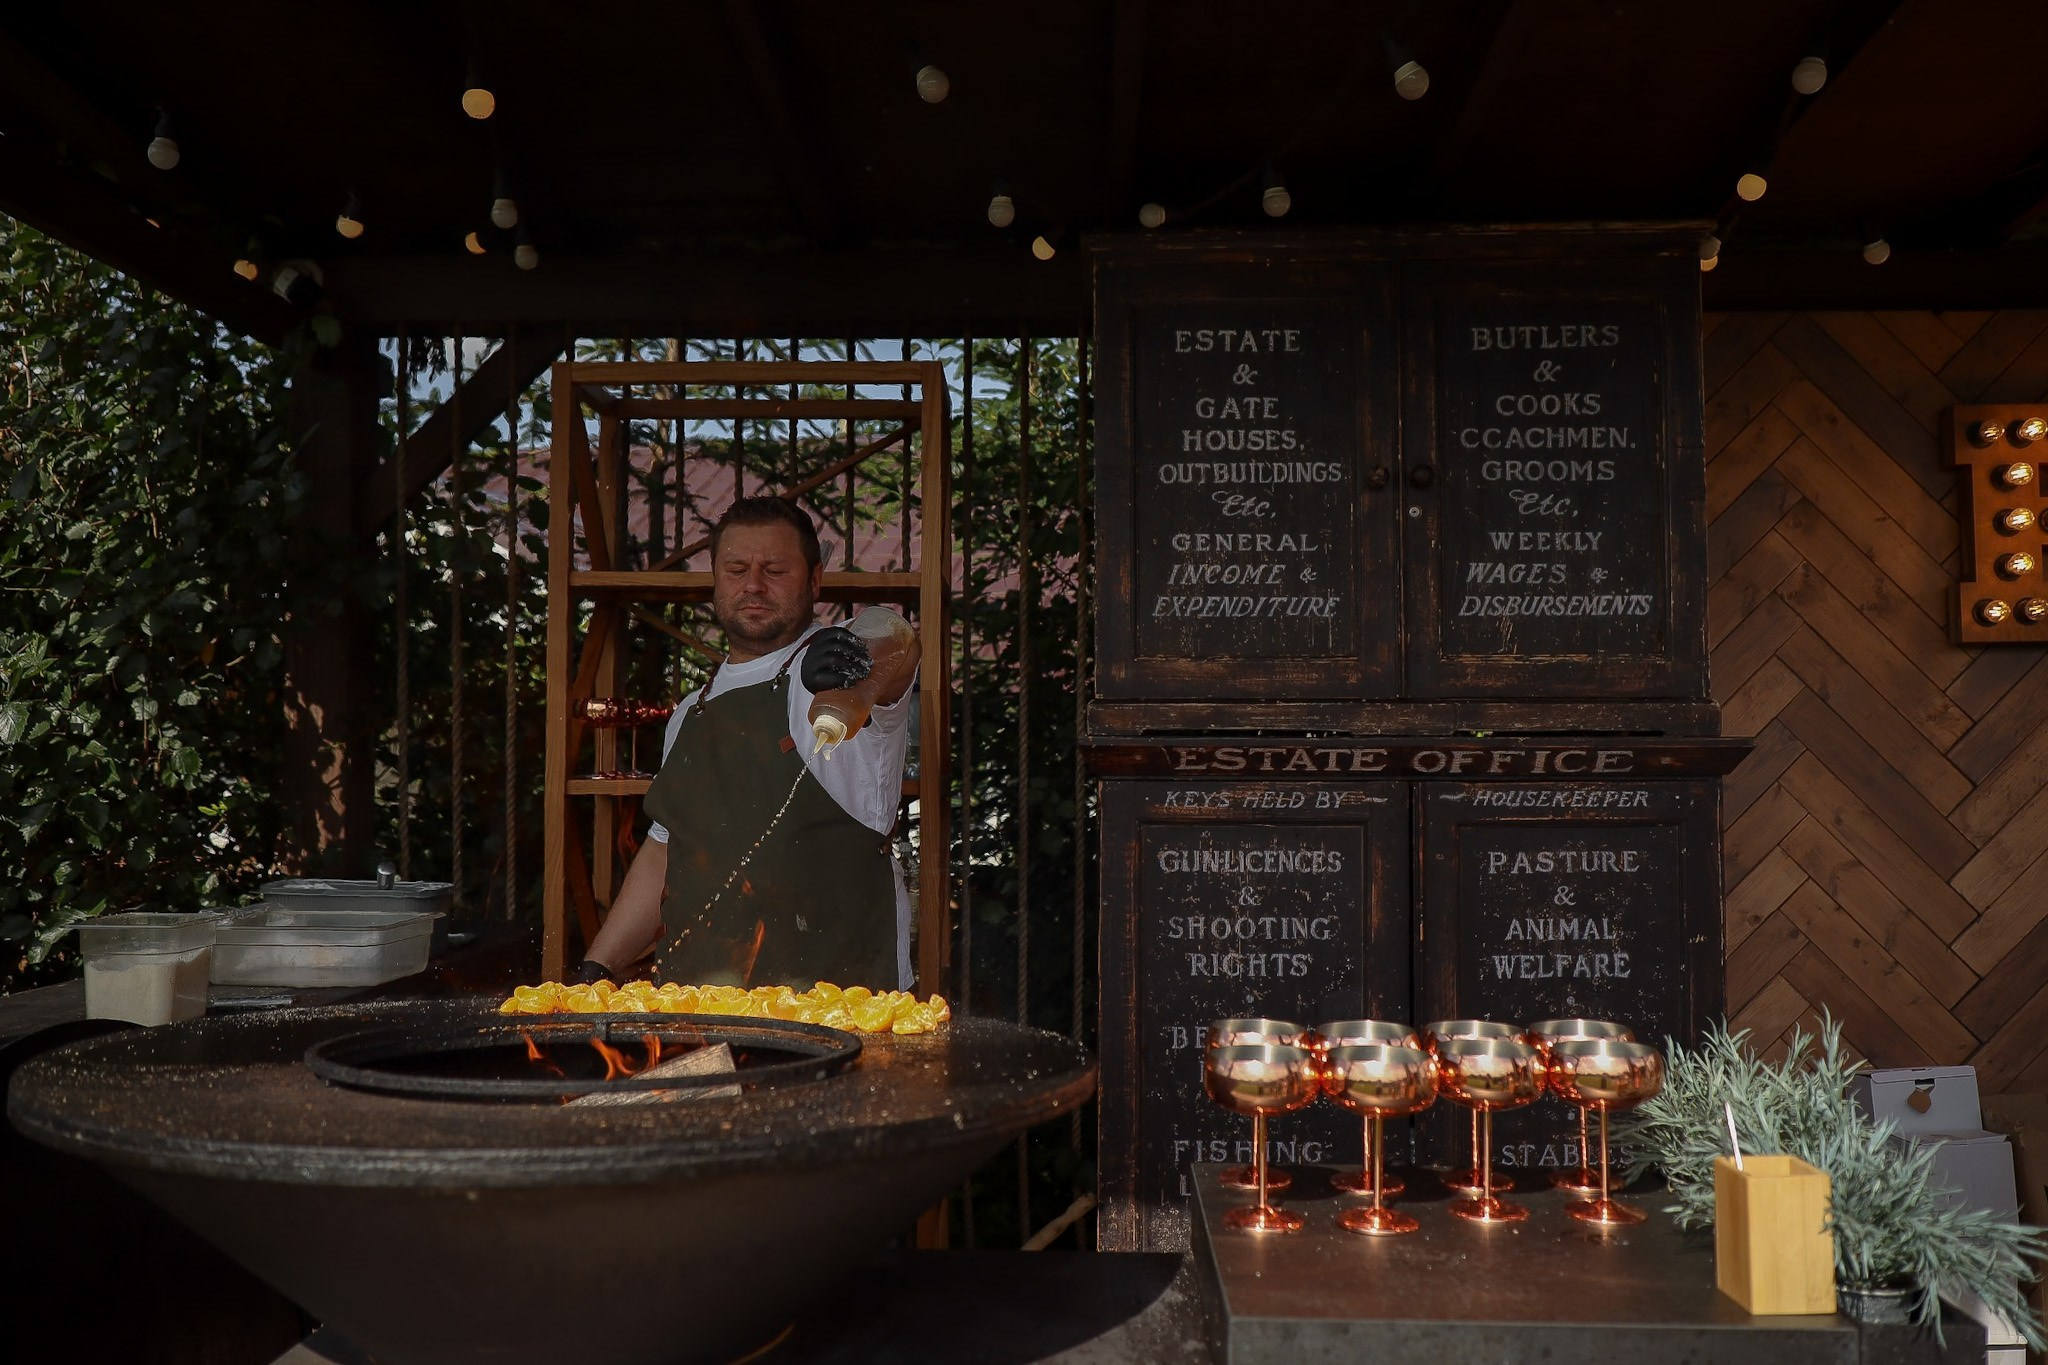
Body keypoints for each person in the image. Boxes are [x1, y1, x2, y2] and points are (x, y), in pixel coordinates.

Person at [577, 497, 918, 990]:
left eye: (775, 570)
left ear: (814, 581)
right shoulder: (690, 712)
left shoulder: (838, 676)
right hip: (697, 1005)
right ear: (716, 579)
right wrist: (597, 967)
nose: (753, 585)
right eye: (736, 569)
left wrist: (850, 662)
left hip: (838, 1004)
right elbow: (664, 853)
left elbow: (895, 641)